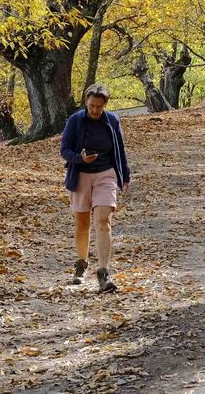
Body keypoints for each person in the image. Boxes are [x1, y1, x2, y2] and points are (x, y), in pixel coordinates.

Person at [59, 84, 131, 294]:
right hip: (80, 174)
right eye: (91, 106)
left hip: (105, 174)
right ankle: (81, 265)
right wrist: (79, 158)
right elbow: (64, 149)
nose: (95, 110)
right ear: (85, 103)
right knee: (82, 224)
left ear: (105, 105)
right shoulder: (74, 120)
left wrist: (125, 176)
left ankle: (103, 272)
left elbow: (120, 149)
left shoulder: (112, 121)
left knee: (103, 221)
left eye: (99, 107)